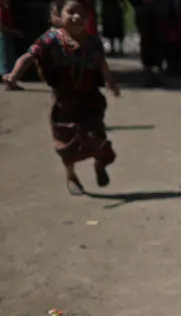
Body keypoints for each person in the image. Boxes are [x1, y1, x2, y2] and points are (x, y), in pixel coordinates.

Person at [2, 0, 120, 195]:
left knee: (98, 139)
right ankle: (71, 176)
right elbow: (28, 56)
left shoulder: (93, 42)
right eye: (71, 12)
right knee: (67, 143)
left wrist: (111, 83)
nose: (77, 17)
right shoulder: (50, 40)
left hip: (90, 100)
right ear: (57, 16)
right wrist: (14, 75)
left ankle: (100, 164)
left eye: (82, 13)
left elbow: (102, 64)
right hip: (64, 101)